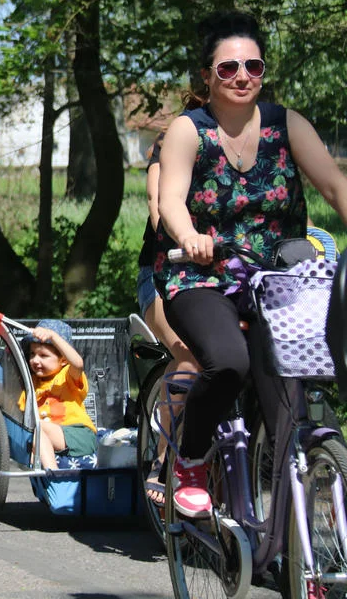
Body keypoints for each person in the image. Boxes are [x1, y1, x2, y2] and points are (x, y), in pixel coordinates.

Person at [155, 11, 347, 518]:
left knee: (292, 386)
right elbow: (171, 198)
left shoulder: (287, 124)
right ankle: (191, 458)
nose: (242, 76)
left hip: (279, 278)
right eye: (228, 68)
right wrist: (190, 236)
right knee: (230, 362)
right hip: (202, 273)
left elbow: (333, 184)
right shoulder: (188, 130)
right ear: (207, 77)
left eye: (253, 66)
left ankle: (282, 540)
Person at [136, 128, 199, 505]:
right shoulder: (161, 166)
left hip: (216, 278)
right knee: (188, 354)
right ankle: (163, 458)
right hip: (162, 274)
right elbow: (158, 209)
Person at [18, 320, 97, 471]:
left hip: (79, 434)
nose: (35, 360)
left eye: (43, 355)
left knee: (38, 429)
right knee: (32, 430)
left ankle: (54, 474)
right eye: (32, 354)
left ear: (63, 360)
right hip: (47, 436)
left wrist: (53, 337)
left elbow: (78, 364)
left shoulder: (67, 376)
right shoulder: (31, 383)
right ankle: (45, 472)